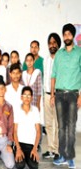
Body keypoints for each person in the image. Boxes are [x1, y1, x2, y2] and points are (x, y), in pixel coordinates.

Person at [51, 23, 81, 168]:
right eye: (65, 34)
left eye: (69, 34)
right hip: (59, 95)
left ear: (73, 36)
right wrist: (52, 94)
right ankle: (62, 155)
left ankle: (70, 157)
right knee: (61, 127)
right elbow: (53, 75)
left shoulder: (79, 53)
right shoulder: (59, 54)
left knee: (71, 126)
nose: (67, 36)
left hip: (73, 95)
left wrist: (80, 95)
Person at [42, 33, 61, 160]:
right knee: (48, 124)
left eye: (54, 43)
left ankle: (57, 151)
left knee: (58, 125)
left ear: (58, 45)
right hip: (47, 95)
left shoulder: (61, 60)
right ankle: (50, 149)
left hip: (58, 95)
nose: (52, 45)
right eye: (50, 43)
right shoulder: (46, 60)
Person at [14, 86, 41, 169]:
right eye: (25, 95)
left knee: (34, 166)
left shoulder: (35, 110)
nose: (27, 98)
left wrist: (35, 148)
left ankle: (28, 157)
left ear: (32, 98)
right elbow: (14, 131)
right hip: (19, 144)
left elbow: (38, 131)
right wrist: (18, 148)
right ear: (21, 97)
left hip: (31, 145)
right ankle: (19, 155)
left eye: (29, 95)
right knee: (20, 165)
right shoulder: (17, 110)